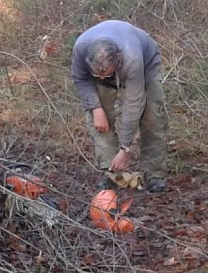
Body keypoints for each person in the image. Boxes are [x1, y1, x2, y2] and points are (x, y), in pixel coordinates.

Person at [71, 20, 169, 192]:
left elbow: (133, 104)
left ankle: (154, 175)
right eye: (97, 74)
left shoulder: (132, 58)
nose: (102, 78)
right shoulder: (81, 49)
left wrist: (125, 148)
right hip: (107, 66)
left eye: (106, 74)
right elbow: (81, 79)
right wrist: (96, 108)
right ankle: (112, 174)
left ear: (118, 60)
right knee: (100, 121)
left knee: (151, 118)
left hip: (145, 67)